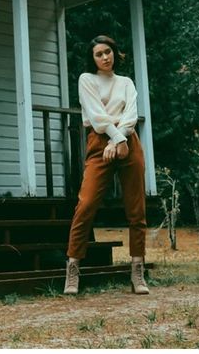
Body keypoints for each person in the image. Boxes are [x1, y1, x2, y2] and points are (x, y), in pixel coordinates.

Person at [64, 34, 149, 295]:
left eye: (108, 52)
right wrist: (114, 139)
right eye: (99, 54)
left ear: (115, 52)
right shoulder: (86, 80)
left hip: (128, 142)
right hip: (101, 142)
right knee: (86, 203)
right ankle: (72, 268)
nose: (105, 57)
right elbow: (96, 115)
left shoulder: (125, 82)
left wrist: (121, 139)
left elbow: (131, 114)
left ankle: (137, 271)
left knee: (136, 209)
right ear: (93, 58)